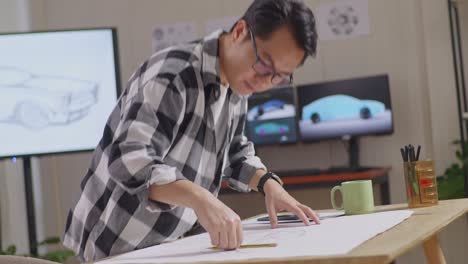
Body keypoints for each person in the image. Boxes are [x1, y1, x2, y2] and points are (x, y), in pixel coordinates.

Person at [63, 0, 319, 261]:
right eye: (265, 64)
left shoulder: (238, 83)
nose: (265, 82)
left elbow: (235, 153)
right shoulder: (175, 74)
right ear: (241, 31)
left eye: (279, 76)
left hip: (169, 244)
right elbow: (128, 159)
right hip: (117, 244)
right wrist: (201, 198)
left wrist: (269, 185)